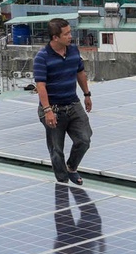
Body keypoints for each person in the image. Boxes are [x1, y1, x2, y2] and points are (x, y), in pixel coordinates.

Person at [34, 18, 93, 185]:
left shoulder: (73, 51)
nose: (70, 36)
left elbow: (80, 73)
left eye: (70, 32)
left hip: (73, 104)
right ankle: (63, 182)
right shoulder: (42, 57)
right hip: (52, 108)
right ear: (55, 38)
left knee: (84, 139)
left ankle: (71, 168)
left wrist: (87, 94)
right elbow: (41, 86)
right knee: (56, 150)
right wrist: (47, 110)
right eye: (66, 34)